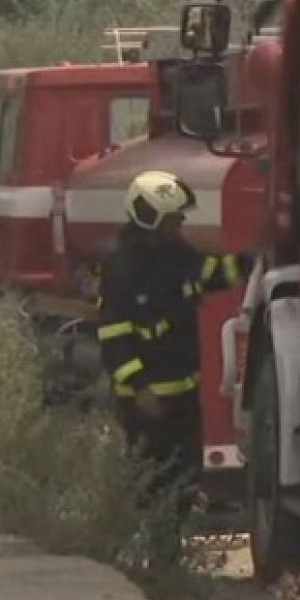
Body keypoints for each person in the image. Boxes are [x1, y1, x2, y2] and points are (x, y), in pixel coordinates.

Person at [94, 170, 252, 505]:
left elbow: (213, 273)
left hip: (183, 395)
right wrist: (140, 388)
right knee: (148, 483)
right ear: (148, 217)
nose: (178, 226)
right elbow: (113, 336)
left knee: (185, 481)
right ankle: (145, 550)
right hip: (145, 403)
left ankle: (172, 549)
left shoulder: (177, 253)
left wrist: (252, 261)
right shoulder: (121, 266)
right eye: (171, 220)